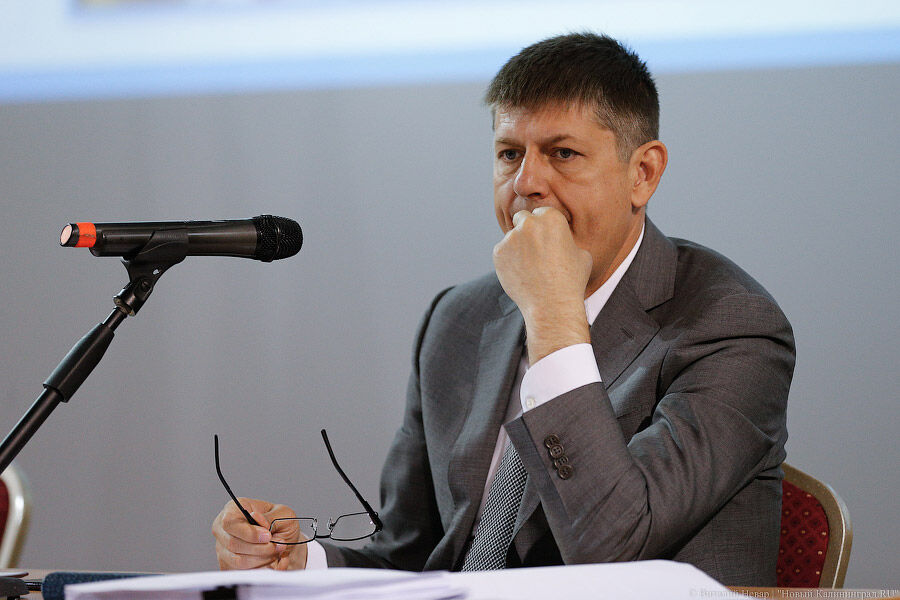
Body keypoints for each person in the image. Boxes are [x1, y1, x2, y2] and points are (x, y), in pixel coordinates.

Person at [212, 32, 794, 586]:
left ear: (642, 173)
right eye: (510, 154)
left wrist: (553, 318)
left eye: (563, 154)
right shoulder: (458, 320)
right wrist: (299, 563)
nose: (526, 183)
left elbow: (612, 545)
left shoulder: (731, 327)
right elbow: (414, 555)